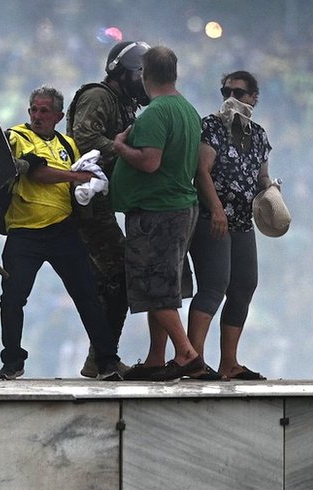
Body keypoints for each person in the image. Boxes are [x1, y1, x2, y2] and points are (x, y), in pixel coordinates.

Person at [0, 86, 122, 381]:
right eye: (34, 110)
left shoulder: (68, 144)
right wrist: (76, 177)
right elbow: (37, 172)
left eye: (44, 111)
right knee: (13, 298)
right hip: (24, 231)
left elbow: (83, 173)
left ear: (58, 115)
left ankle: (107, 361)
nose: (38, 116)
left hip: (63, 230)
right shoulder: (17, 137)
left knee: (87, 295)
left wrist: (90, 186)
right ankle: (12, 361)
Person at [110, 45, 209, 381]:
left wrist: (121, 147)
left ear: (144, 74)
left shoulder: (155, 112)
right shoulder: (188, 110)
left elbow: (150, 161)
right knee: (164, 285)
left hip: (158, 211)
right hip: (180, 207)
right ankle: (156, 357)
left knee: (153, 285)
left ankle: (186, 354)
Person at [66, 40, 149, 378]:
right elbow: (84, 140)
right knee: (118, 274)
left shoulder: (122, 103)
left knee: (112, 281)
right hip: (89, 202)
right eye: (140, 72)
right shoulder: (98, 97)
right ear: (124, 72)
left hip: (103, 202)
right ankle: (103, 358)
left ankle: (100, 357)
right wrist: (123, 150)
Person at [186, 71, 272, 380]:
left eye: (239, 92)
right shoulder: (212, 127)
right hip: (213, 219)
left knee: (243, 286)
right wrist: (217, 209)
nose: (231, 98)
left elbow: (261, 177)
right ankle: (193, 359)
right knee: (213, 286)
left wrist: (271, 194)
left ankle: (229, 362)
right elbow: (202, 170)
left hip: (242, 221)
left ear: (253, 97)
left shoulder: (259, 135)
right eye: (226, 91)